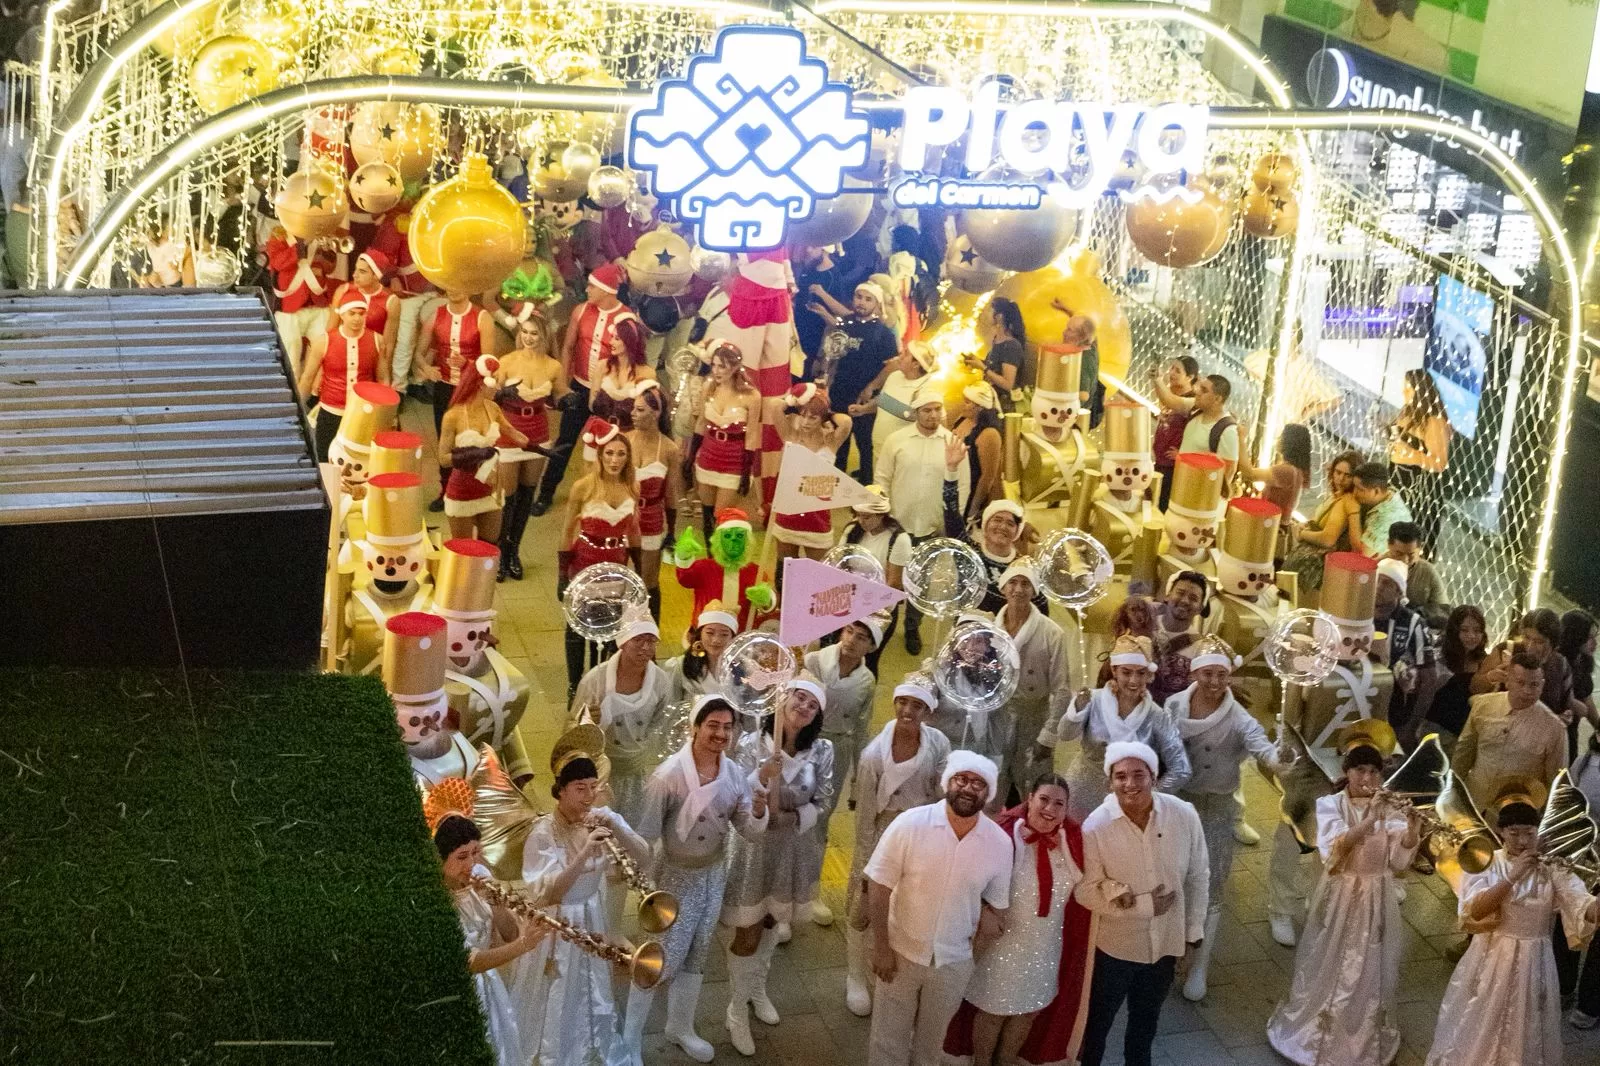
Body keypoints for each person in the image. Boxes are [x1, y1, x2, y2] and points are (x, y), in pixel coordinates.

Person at [626, 696, 771, 1064]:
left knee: (698, 954)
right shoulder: (668, 776)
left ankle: (680, 1027)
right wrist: (645, 888)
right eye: (713, 726)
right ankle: (628, 1040)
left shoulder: (734, 774)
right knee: (656, 959)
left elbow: (749, 832)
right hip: (672, 877)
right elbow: (645, 837)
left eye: (727, 727)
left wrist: (758, 810)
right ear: (694, 727)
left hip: (713, 874)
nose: (721, 734)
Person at [1265, 738, 1421, 1065]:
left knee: (1370, 960)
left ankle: (1360, 1029)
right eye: (1360, 771)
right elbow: (1334, 852)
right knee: (1332, 954)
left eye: (1374, 772)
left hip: (1377, 895)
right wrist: (1370, 819)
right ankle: (1319, 1028)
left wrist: (1411, 833)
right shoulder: (1330, 805)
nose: (1367, 779)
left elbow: (1398, 862)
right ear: (1347, 772)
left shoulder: (1389, 806)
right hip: (1343, 892)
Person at [1424, 791, 1600, 1064]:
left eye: (1529, 833)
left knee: (1527, 1021)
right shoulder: (1487, 861)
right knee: (1483, 1014)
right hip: (1494, 954)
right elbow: (1477, 910)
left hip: (1536, 958)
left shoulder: (1551, 868)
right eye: (1514, 833)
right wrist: (1514, 874)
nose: (1522, 841)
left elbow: (1581, 904)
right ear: (1501, 831)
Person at [864, 751, 1013, 1066]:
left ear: (989, 794)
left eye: (978, 783)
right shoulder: (911, 824)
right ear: (948, 783)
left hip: (953, 963)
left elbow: (997, 908)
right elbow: (878, 886)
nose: (969, 788)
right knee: (887, 1040)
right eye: (962, 779)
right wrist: (880, 947)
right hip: (899, 952)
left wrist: (970, 962)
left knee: (932, 1046)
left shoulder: (999, 843)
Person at [1075, 742, 1209, 1066]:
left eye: (1139, 774)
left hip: (1165, 946)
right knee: (1095, 1028)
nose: (1130, 784)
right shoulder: (1096, 827)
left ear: (1155, 776)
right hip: (1115, 950)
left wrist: (1192, 937)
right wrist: (1143, 906)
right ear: (1109, 782)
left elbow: (1198, 876)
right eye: (1120, 776)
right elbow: (1085, 892)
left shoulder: (1184, 815)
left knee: (1145, 1027)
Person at [944, 775, 1092, 1066]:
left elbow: (1085, 889)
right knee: (992, 1011)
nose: (1050, 808)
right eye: (1044, 799)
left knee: (1029, 1011)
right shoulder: (1004, 835)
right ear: (1030, 798)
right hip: (1004, 945)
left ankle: (1007, 1060)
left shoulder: (1070, 842)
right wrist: (985, 911)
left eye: (1059, 803)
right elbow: (972, 881)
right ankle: (983, 1062)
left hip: (1046, 947)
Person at [721, 678, 835, 1055]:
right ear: (783, 699)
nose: (803, 706)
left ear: (817, 715)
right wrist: (761, 777)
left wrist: (793, 817)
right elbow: (734, 793)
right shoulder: (751, 743)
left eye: (812, 705)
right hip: (753, 849)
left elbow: (825, 800)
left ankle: (757, 988)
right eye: (798, 697)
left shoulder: (821, 751)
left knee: (772, 920)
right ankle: (736, 1008)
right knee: (748, 928)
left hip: (790, 850)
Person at [1166, 636, 1283, 1000]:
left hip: (1216, 809)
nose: (1215, 682)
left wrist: (1280, 757)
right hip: (1176, 802)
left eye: (1222, 674)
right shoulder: (1173, 704)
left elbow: (1262, 748)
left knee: (1211, 886)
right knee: (1172, 878)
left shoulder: (1238, 717)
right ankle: (1169, 953)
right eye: (1208, 674)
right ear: (1197, 673)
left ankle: (1200, 966)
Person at [522, 753, 652, 1066]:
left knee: (596, 986)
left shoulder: (601, 816)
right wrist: (584, 851)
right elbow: (550, 892)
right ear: (561, 790)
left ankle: (596, 1048)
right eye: (581, 788)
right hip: (559, 921)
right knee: (560, 991)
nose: (589, 796)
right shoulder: (542, 833)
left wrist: (617, 830)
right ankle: (557, 1055)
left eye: (594, 787)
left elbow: (644, 857)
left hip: (593, 914)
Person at [845, 675, 950, 1016]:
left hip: (922, 831)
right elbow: (863, 817)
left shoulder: (938, 743)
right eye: (903, 702)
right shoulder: (872, 755)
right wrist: (864, 860)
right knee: (864, 902)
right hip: (882, 832)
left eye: (917, 706)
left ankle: (894, 964)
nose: (908, 711)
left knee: (906, 900)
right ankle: (854, 975)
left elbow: (942, 790)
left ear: (928, 712)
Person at [433, 812, 550, 1066]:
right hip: (459, 990)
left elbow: (509, 933)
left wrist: (494, 900)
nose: (471, 864)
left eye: (476, 852)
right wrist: (523, 946)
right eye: (461, 857)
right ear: (440, 860)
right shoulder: (436, 901)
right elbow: (469, 962)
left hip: (490, 985)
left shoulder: (480, 876)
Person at [1036, 634, 1191, 821]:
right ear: (1114, 670)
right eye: (1126, 672)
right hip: (1083, 791)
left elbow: (1181, 768)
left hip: (1126, 800)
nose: (1134, 681)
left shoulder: (1156, 715)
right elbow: (1065, 735)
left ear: (1149, 674)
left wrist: (1148, 794)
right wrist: (1077, 709)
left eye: (1141, 673)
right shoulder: (1093, 699)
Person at [535, 263, 636, 516]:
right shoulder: (580, 311)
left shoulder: (626, 318)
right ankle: (546, 492)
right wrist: (563, 386)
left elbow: (631, 357)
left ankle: (605, 496)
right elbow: (568, 347)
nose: (588, 290)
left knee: (608, 445)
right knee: (565, 442)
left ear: (607, 290)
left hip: (609, 395)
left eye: (592, 286)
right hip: (579, 386)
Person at [875, 386, 970, 653]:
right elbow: (882, 477)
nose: (932, 415)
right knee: (892, 578)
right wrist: (883, 514)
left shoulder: (952, 443)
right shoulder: (897, 440)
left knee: (922, 582)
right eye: (926, 410)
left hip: (932, 526)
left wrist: (951, 521)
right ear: (916, 412)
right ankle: (884, 622)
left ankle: (912, 627)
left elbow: (962, 486)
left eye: (937, 409)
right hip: (898, 526)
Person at [558, 421, 642, 695]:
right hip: (585, 562)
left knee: (610, 628)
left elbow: (634, 530)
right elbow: (568, 529)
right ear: (599, 455)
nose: (615, 460)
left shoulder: (632, 487)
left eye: (621, 454)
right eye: (609, 453)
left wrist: (638, 571)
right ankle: (573, 685)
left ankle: (602, 683)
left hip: (617, 565)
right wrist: (562, 574)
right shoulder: (583, 487)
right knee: (577, 627)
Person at [568, 611, 670, 829]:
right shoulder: (595, 681)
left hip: (637, 770)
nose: (645, 648)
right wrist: (588, 722)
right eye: (638, 640)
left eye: (651, 641)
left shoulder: (661, 681)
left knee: (630, 829)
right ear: (622, 643)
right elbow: (571, 731)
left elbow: (659, 723)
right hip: (601, 770)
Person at [493, 310, 567, 581]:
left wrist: (568, 400)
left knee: (526, 495)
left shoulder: (553, 366)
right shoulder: (507, 362)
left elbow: (561, 395)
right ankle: (500, 552)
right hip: (509, 431)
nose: (528, 337)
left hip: (538, 429)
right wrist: (501, 393)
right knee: (508, 498)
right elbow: (491, 399)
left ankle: (514, 551)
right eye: (524, 332)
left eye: (534, 333)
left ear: (544, 335)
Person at [995, 559, 1072, 802]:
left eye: (1025, 584)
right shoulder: (989, 627)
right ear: (1003, 587)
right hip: (997, 715)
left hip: (1033, 717)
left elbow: (1062, 689)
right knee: (995, 778)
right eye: (1013, 582)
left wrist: (1048, 736)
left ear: (1034, 590)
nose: (1018, 589)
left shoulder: (1052, 633)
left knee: (1031, 781)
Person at [805, 615, 882, 849]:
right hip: (806, 741)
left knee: (824, 805)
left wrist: (859, 777)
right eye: (849, 631)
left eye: (861, 638)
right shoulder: (814, 661)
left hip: (838, 747)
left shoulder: (867, 681)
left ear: (871, 647)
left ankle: (815, 852)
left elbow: (861, 727)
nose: (851, 640)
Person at [810, 279, 900, 480]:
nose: (862, 303)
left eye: (868, 299)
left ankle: (866, 485)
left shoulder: (883, 333)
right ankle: (835, 480)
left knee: (864, 443)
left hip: (864, 397)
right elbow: (833, 352)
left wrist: (872, 386)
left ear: (876, 304)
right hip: (840, 390)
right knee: (838, 439)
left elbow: (892, 365)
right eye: (859, 297)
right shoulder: (846, 323)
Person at [1455, 650, 1569, 802]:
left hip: (1515, 815)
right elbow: (1463, 754)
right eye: (1520, 683)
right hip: (1473, 800)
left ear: (1542, 686)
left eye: (1534, 685)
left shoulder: (1554, 729)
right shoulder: (1483, 705)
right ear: (1508, 681)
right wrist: (1452, 791)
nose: (1527, 691)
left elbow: (1556, 782)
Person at [437, 355, 527, 542]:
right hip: (462, 491)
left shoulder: (493, 408)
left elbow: (512, 432)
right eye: (495, 381)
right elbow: (443, 458)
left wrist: (541, 449)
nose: (498, 387)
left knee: (490, 547)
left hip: (491, 488)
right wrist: (475, 454)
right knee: (464, 552)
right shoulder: (453, 416)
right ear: (481, 383)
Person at [299, 288, 389, 461]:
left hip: (363, 414)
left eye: (361, 314)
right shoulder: (324, 341)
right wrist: (298, 408)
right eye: (352, 313)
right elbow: (307, 379)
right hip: (331, 411)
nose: (357, 319)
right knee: (325, 459)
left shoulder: (377, 340)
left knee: (360, 461)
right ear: (342, 315)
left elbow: (383, 378)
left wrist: (384, 414)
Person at [684, 339, 763, 534]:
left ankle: (722, 561)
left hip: (733, 462)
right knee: (707, 514)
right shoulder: (709, 387)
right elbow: (701, 422)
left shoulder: (752, 396)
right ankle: (711, 561)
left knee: (723, 516)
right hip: (709, 456)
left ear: (735, 367)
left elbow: (752, 435)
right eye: (714, 365)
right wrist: (690, 456)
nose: (717, 371)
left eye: (723, 366)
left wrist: (746, 471)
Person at [771, 383, 852, 564]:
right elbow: (775, 406)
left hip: (818, 516)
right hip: (789, 512)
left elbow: (846, 421)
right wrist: (795, 398)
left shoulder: (831, 441)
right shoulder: (790, 435)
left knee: (817, 574)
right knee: (784, 569)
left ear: (823, 418)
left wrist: (823, 406)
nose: (806, 422)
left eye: (813, 417)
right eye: (803, 415)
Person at [837, 486, 912, 671]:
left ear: (882, 515)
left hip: (880, 609)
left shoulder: (899, 539)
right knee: (839, 656)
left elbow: (893, 584)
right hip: (848, 601)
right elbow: (839, 563)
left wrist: (865, 606)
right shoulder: (852, 530)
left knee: (867, 664)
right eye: (858, 515)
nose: (861, 521)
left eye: (867, 517)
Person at [626, 383, 682, 619]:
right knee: (620, 579)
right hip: (622, 517)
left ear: (656, 413)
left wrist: (671, 531)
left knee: (648, 582)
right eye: (633, 408)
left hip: (651, 519)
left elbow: (671, 494)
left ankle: (648, 634)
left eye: (639, 410)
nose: (632, 414)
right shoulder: (622, 440)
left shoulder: (669, 449)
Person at [1472, 608, 1581, 726]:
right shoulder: (1506, 651)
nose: (1530, 646)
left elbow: (1567, 706)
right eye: (1527, 637)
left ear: (1553, 643)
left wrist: (1562, 718)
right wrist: (1491, 677)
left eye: (1539, 641)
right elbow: (1474, 688)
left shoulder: (1561, 665)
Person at [1388, 367, 1452, 553]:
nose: (1403, 393)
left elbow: (1440, 463)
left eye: (1408, 389)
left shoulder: (1434, 422)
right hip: (1398, 485)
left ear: (1421, 391)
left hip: (1420, 494)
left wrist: (1411, 455)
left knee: (1413, 543)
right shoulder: (1408, 412)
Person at [1283, 449, 1364, 594]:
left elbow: (1328, 539)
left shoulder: (1346, 501)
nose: (1340, 479)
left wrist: (1302, 534)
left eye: (1347, 476)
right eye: (1338, 472)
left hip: (1313, 569)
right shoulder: (1339, 496)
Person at [1414, 604, 1487, 751]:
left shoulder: (1486, 662)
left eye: (1477, 630)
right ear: (1454, 631)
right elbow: (1425, 699)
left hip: (1465, 736)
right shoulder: (1440, 660)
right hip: (1436, 733)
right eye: (1464, 630)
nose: (1472, 636)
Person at [1149, 371, 1239, 484]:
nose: (1197, 392)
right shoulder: (1195, 407)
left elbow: (1229, 471)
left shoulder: (1227, 430)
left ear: (1217, 399)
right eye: (1200, 388)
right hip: (1179, 482)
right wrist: (1157, 380)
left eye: (1204, 390)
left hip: (1198, 492)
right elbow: (1171, 401)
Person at [853, 341, 934, 462]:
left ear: (916, 364)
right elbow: (882, 400)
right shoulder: (894, 376)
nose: (900, 355)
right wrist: (864, 409)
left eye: (905, 354)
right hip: (880, 448)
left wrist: (884, 402)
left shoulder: (926, 388)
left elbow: (915, 415)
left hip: (902, 455)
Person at [327, 248, 400, 370]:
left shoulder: (391, 301)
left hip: (370, 361)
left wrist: (384, 377)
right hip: (342, 355)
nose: (355, 275)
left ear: (376, 276)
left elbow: (388, 345)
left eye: (362, 271)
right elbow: (330, 331)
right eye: (356, 269)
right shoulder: (343, 291)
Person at [1150, 573, 1209, 704]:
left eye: (1193, 598)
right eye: (1180, 593)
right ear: (1167, 596)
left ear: (1200, 608)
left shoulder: (1201, 648)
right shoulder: (1144, 626)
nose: (1185, 600)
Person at [589, 315, 657, 430]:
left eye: (617, 339)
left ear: (629, 341)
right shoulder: (602, 366)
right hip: (599, 433)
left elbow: (648, 414)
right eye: (611, 337)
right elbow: (591, 405)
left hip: (629, 438)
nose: (611, 342)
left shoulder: (647, 374)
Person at [1150, 355, 1200, 511]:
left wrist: (1182, 455)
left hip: (1173, 467)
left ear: (1190, 377)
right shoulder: (1171, 391)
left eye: (1178, 371)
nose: (1172, 373)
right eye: (1171, 368)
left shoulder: (1192, 401)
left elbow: (1170, 401)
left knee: (1161, 505)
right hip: (1160, 460)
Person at [951, 381, 1004, 523]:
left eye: (968, 402)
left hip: (971, 489)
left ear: (980, 407)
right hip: (955, 481)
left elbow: (987, 478)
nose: (963, 405)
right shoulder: (962, 419)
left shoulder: (989, 434)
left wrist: (972, 510)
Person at [1239, 422, 1311, 527]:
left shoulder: (1286, 471)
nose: (1277, 439)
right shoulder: (1298, 470)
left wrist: (1241, 439)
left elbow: (1249, 474)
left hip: (1270, 526)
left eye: (1281, 436)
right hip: (1275, 523)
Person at [663, 604, 737, 705]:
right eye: (710, 633)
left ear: (732, 638)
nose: (716, 640)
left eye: (724, 634)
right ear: (700, 634)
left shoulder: (744, 666)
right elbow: (670, 706)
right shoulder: (680, 665)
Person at [1383, 521, 1446, 627]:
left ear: (1420, 548)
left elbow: (1443, 610)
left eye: (1411, 554)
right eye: (1399, 554)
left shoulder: (1428, 572)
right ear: (1389, 545)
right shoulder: (1375, 568)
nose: (1405, 560)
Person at [1558, 609, 1600, 756]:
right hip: (1557, 729)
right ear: (1576, 637)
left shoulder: (1583, 660)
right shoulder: (1558, 664)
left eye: (1595, 637)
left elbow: (1587, 699)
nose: (1595, 643)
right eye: (1589, 638)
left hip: (1571, 732)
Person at [1351, 462, 1413, 556]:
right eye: (1354, 487)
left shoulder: (1386, 517)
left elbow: (1362, 555)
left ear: (1376, 491)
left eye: (1360, 489)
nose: (1354, 493)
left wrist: (1352, 512)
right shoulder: (1389, 495)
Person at [979, 296, 1026, 410]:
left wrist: (983, 368)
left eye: (990, 310)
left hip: (1004, 407)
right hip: (992, 402)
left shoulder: (1011, 346)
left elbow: (1008, 384)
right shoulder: (996, 340)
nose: (986, 313)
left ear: (999, 317)